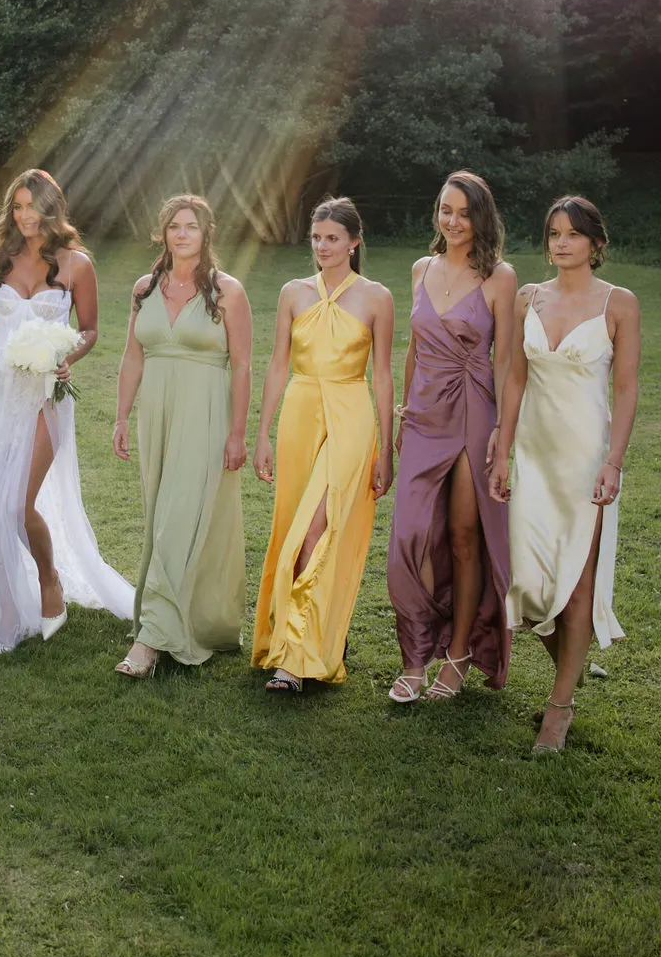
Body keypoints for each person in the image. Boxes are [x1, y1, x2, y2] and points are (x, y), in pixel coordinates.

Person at [490, 196, 639, 754]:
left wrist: (613, 461)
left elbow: (626, 389)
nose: (561, 242)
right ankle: (568, 678)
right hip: (531, 452)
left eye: (574, 234)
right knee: (528, 586)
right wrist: (502, 449)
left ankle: (559, 707)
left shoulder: (619, 304)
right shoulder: (530, 297)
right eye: (554, 233)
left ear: (595, 244)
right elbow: (513, 380)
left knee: (576, 589)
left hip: (583, 458)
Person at [0, 170, 133, 652]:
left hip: (45, 394)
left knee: (17, 504)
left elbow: (91, 329)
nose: (24, 215)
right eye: (16, 207)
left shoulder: (77, 264)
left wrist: (65, 358)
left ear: (51, 207)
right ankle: (10, 615)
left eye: (32, 206)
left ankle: (48, 577)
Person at [252, 198, 394, 693]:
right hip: (299, 410)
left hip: (352, 415)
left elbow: (382, 377)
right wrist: (262, 434)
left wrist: (388, 448)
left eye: (333, 238)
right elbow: (276, 365)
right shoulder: (293, 293)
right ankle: (305, 635)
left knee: (319, 527)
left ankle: (295, 661)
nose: (323, 247)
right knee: (291, 527)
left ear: (354, 241)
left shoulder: (377, 297)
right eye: (316, 238)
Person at [386, 172, 516, 701]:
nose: (453, 221)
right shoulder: (421, 268)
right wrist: (402, 417)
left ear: (480, 217)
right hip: (422, 415)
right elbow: (414, 348)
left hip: (472, 414)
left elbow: (505, 361)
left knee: (464, 540)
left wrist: (503, 434)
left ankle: (457, 653)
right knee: (409, 540)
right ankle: (415, 654)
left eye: (464, 213)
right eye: (445, 210)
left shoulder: (498, 277)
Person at [113, 195, 251, 677]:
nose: (181, 234)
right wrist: (121, 417)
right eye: (173, 226)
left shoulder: (228, 291)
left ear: (206, 233)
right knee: (161, 515)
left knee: (178, 516)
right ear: (163, 233)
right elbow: (132, 357)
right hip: (157, 413)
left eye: (191, 226)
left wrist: (238, 433)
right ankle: (186, 618)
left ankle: (151, 639)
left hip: (205, 413)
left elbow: (243, 366)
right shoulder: (144, 288)